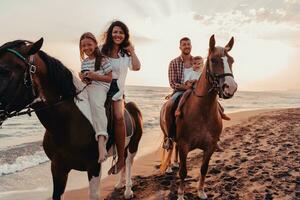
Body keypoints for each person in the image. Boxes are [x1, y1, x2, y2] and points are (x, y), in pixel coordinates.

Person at [101, 21, 141, 175]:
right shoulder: (101, 50)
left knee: (118, 117)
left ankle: (121, 159)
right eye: (115, 32)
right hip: (100, 88)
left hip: (117, 92)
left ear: (125, 36)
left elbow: (136, 67)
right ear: (110, 34)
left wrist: (132, 51)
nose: (118, 35)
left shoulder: (126, 54)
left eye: (121, 33)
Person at [78, 32, 113, 163]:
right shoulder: (85, 63)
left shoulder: (103, 59)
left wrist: (94, 76)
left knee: (97, 105)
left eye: (89, 44)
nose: (86, 48)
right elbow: (86, 80)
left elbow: (110, 78)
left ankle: (102, 141)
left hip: (101, 86)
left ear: (95, 44)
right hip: (90, 86)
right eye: (83, 46)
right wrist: (84, 78)